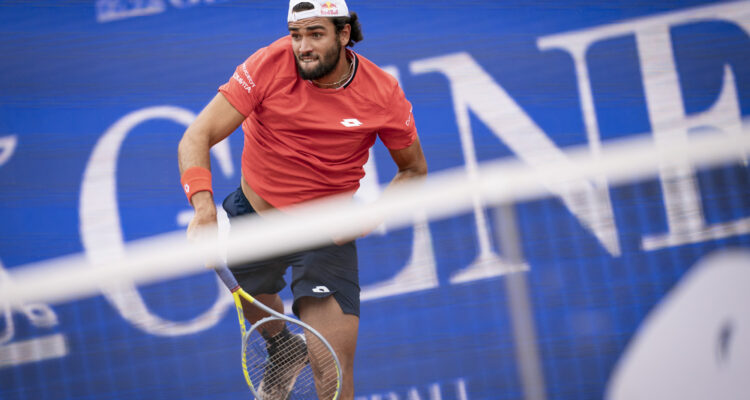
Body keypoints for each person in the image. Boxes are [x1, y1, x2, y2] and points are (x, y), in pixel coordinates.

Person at [177, 0, 427, 398]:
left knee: (333, 374)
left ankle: (296, 353)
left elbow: (413, 170)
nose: (303, 46)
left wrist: (367, 219)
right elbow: (197, 136)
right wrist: (203, 209)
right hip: (254, 218)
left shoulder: (382, 93)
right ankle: (283, 348)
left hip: (324, 234)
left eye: (315, 34)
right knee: (255, 299)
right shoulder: (266, 65)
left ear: (344, 35)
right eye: (296, 35)